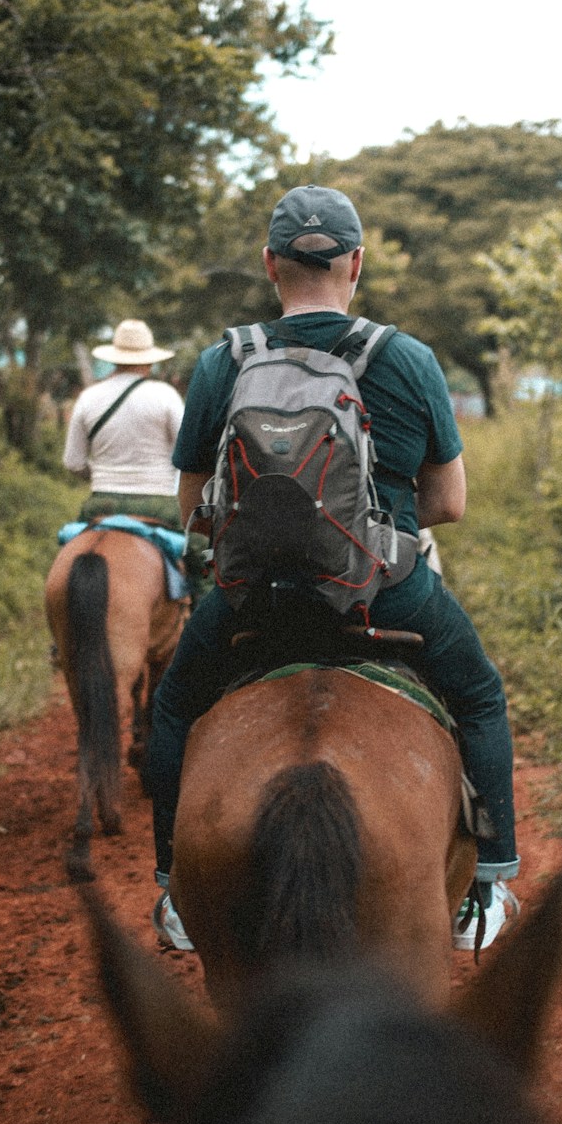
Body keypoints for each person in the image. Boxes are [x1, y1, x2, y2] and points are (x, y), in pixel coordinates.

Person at [147, 185, 520, 951]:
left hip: (252, 601)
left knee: (177, 704)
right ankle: (488, 886)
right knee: (479, 693)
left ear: (269, 265)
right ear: (357, 263)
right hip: (387, 593)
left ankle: (174, 895)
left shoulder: (226, 360)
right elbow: (448, 502)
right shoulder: (407, 358)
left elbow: (193, 504)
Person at [62, 319, 187, 530]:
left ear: (114, 359)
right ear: (150, 361)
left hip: (102, 503)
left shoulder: (88, 397)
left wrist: (106, 477)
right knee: (197, 553)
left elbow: (74, 462)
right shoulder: (166, 396)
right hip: (157, 503)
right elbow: (187, 452)